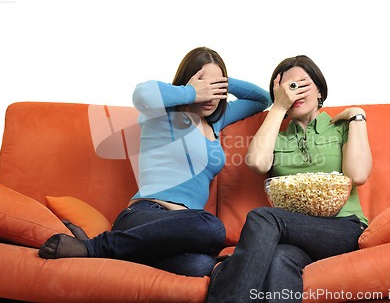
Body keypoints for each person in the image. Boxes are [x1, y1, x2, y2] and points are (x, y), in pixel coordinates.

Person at [38, 47, 272, 277]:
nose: (210, 93)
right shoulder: (161, 113)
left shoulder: (215, 122)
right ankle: (94, 248)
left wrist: (221, 82)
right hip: (144, 216)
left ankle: (108, 250)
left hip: (180, 232)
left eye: (217, 87)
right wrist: (192, 92)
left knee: (200, 267)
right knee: (213, 227)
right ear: (188, 82)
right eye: (204, 83)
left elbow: (262, 99)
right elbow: (143, 94)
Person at [205, 55, 372, 302]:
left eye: (301, 84)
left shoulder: (342, 127)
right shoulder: (277, 138)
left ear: (319, 90)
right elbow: (257, 163)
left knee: (263, 216)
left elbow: (358, 175)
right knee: (280, 259)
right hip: (295, 238)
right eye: (287, 88)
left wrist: (357, 116)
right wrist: (279, 106)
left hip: (343, 229)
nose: (294, 92)